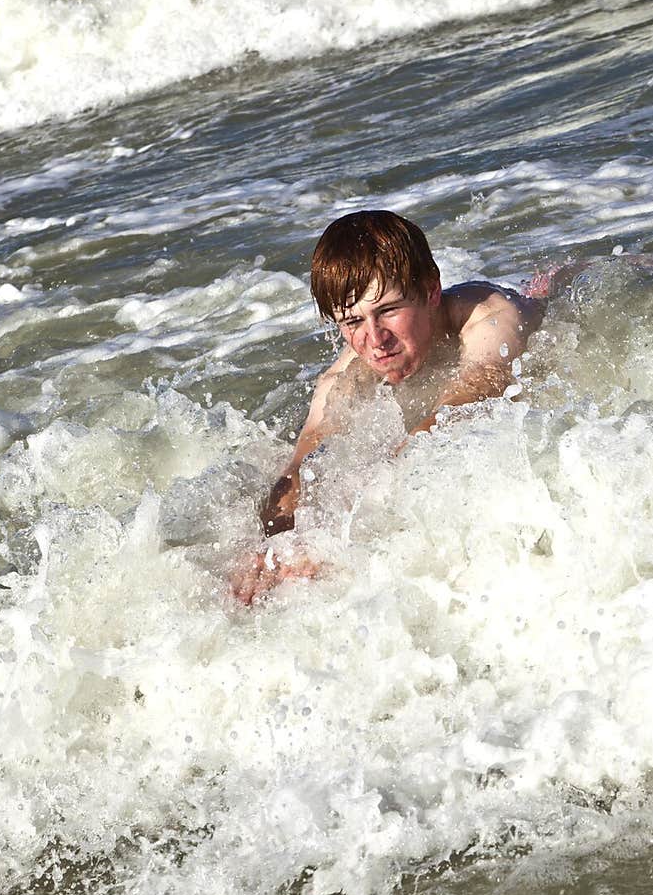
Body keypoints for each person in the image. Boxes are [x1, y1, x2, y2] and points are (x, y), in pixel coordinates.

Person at [232, 208, 543, 603]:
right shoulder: (346, 371)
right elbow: (300, 464)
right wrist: (276, 548)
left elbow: (460, 405)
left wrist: (354, 512)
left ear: (431, 291)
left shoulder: (490, 321)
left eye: (388, 311)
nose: (374, 339)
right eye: (352, 321)